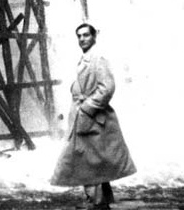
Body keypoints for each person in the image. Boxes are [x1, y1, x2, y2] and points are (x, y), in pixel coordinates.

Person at [51, 23, 136, 210]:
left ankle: (98, 205)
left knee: (88, 166)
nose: (82, 39)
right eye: (79, 36)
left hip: (91, 120)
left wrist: (87, 108)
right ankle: (102, 203)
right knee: (94, 164)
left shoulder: (98, 58)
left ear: (94, 37)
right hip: (85, 119)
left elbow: (107, 88)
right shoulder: (85, 58)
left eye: (86, 35)